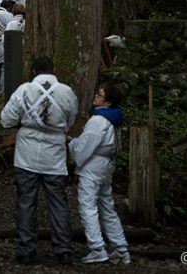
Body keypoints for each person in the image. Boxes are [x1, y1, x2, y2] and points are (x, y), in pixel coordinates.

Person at [0, 56, 78, 265]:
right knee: (58, 202)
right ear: (54, 70)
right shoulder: (66, 91)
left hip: (26, 152)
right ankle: (64, 249)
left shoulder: (24, 90)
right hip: (54, 154)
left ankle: (26, 250)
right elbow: (70, 120)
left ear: (34, 71)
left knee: (26, 202)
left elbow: (6, 119)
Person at [68, 83, 131, 265]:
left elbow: (85, 147)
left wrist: (72, 147)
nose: (95, 97)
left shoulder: (98, 120)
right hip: (106, 167)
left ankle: (97, 248)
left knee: (88, 207)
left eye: (100, 95)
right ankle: (121, 249)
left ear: (108, 102)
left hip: (93, 168)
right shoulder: (114, 119)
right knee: (107, 208)